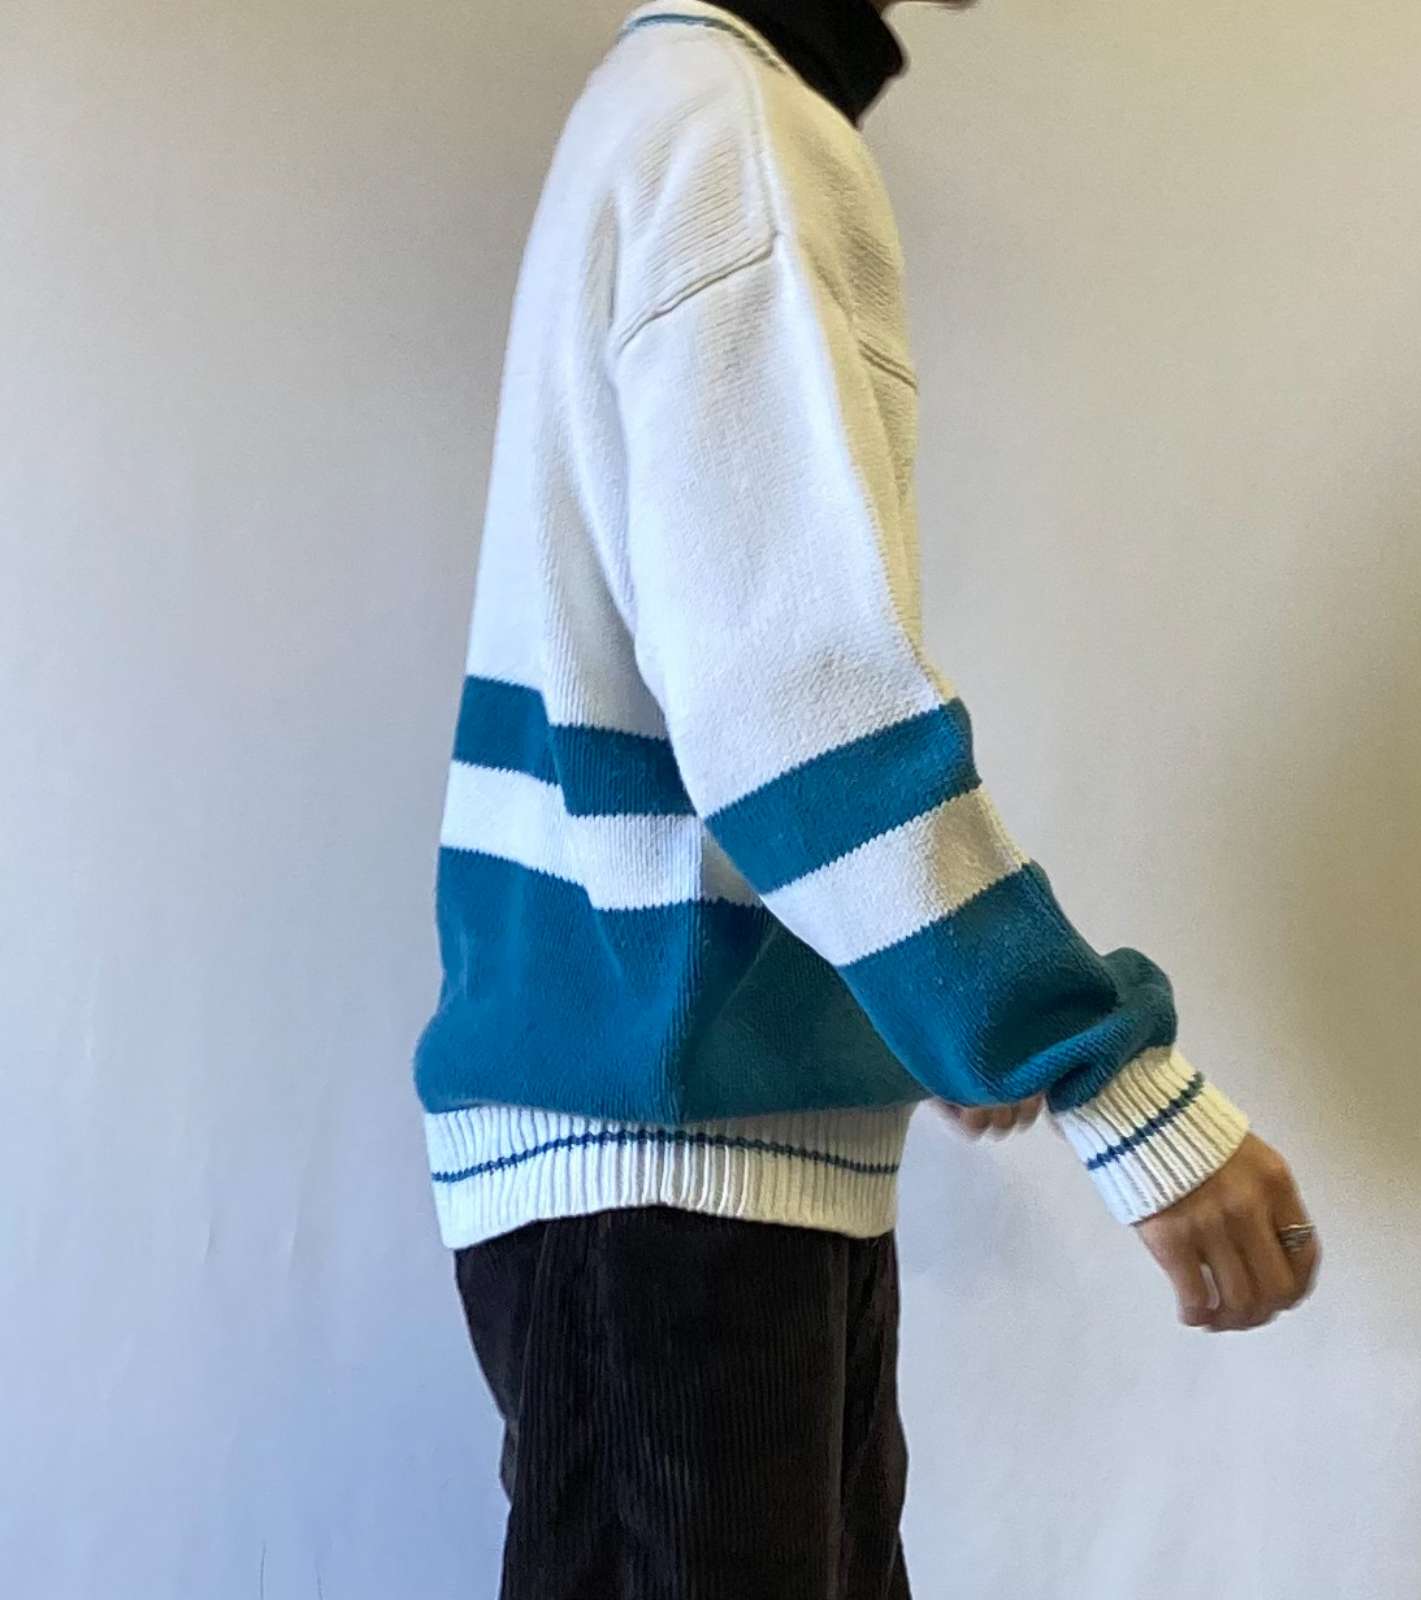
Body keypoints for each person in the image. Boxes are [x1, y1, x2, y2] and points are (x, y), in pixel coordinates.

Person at [412, 2, 1322, 1594]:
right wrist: (1104, 1076)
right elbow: (787, 700)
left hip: (686, 1158)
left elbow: (730, 689)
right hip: (672, 1179)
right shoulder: (732, 134)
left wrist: (911, 996)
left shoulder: (689, 108)